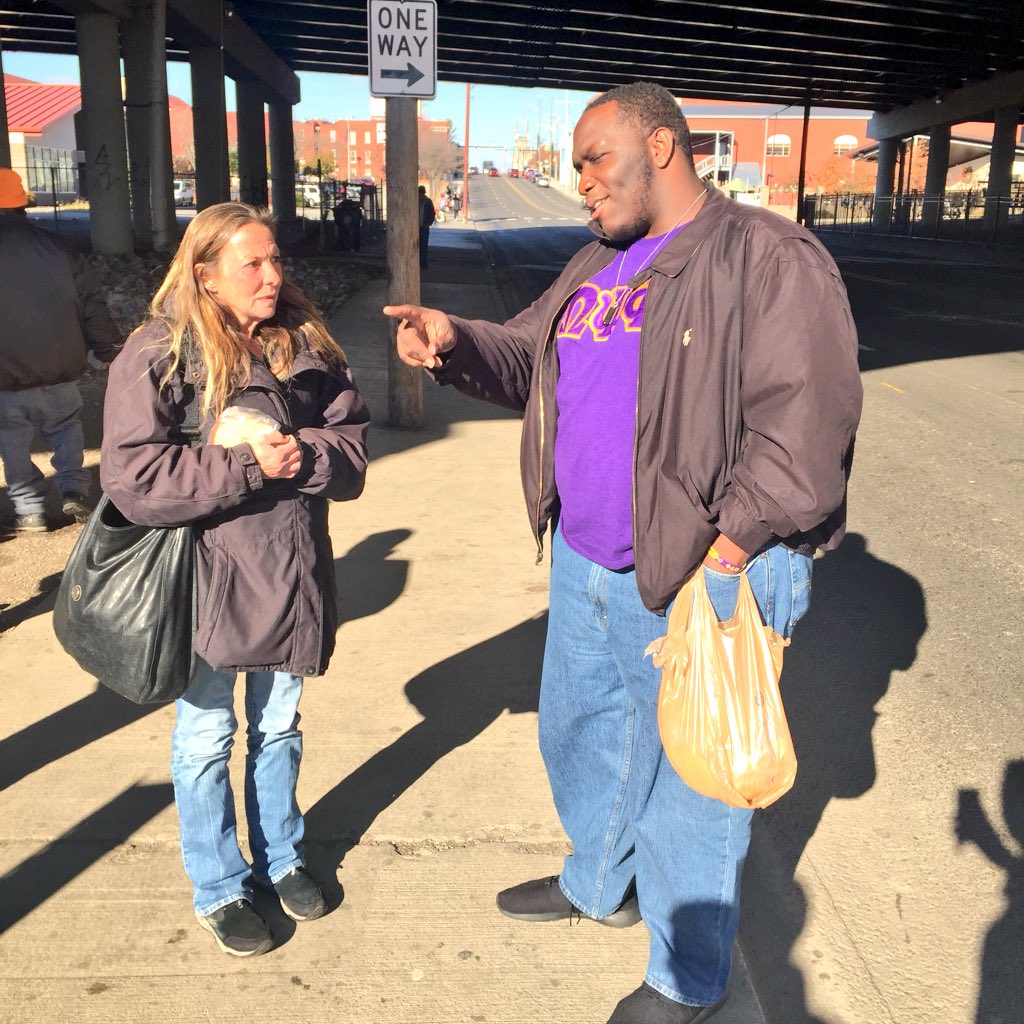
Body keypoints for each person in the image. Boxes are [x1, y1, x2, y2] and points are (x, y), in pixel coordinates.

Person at [384, 82, 862, 1023]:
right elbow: (529, 359)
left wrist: (726, 559)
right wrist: (452, 342)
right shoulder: (596, 262)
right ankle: (601, 881)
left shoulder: (765, 257)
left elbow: (803, 427)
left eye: (594, 160)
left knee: (695, 779)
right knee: (580, 731)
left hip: (703, 570)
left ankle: (687, 980)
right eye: (576, 169)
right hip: (587, 560)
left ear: (662, 146)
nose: (581, 185)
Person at [101, 202, 370, 957]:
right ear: (205, 274)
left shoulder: (307, 342)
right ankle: (220, 885)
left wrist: (308, 458)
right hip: (207, 581)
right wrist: (246, 465)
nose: (272, 275)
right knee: (207, 735)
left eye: (276, 259)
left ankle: (282, 858)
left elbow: (351, 450)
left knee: (279, 726)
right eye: (251, 263)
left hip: (293, 571)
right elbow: (131, 477)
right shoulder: (161, 351)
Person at [0, 167, 121, 533]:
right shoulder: (57, 247)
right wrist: (107, 349)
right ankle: (73, 490)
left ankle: (30, 511)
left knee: (12, 440)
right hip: (60, 368)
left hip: (5, 378)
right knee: (66, 426)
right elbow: (91, 304)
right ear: (22, 203)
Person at [333, 186, 363, 252]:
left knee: (350, 235)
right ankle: (347, 247)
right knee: (347, 235)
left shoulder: (353, 211)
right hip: (351, 225)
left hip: (352, 225)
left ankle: (349, 247)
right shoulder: (354, 211)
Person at [417, 184, 436, 269]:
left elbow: (432, 213)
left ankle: (423, 261)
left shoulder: (428, 201)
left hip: (424, 226)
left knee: (423, 244)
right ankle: (419, 261)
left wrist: (429, 223)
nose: (420, 195)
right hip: (417, 227)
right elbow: (432, 213)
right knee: (418, 245)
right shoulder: (416, 201)